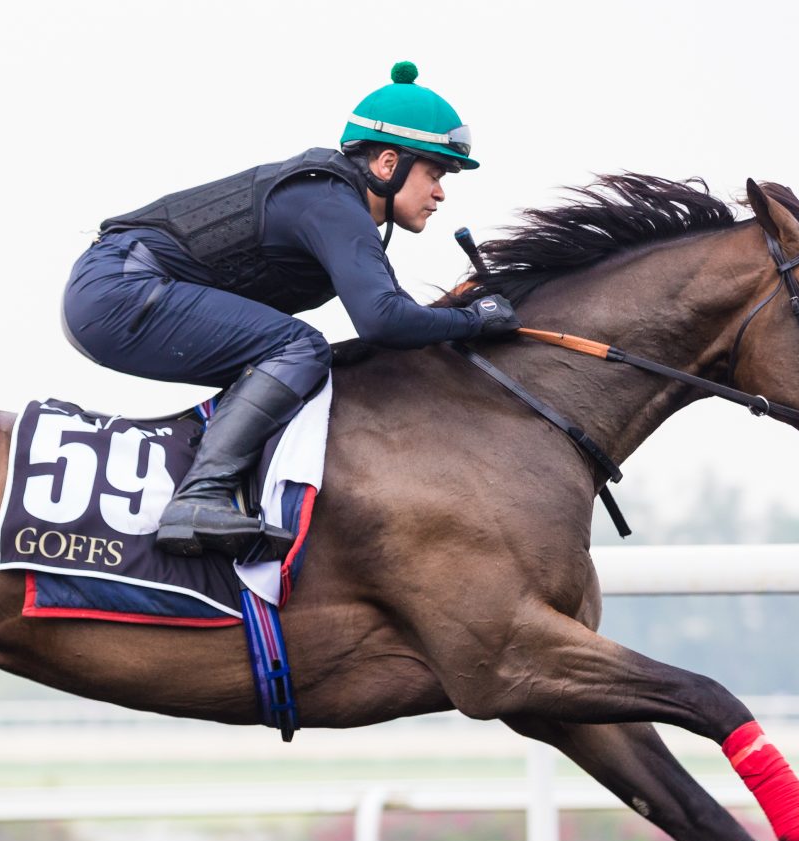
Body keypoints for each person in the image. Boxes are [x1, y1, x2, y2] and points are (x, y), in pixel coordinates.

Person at [62, 61, 519, 561]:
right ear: (389, 164)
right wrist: (478, 320)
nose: (440, 193)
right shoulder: (330, 202)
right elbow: (384, 320)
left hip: (116, 289)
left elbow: (397, 318)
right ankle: (198, 499)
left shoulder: (340, 207)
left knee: (311, 360)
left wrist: (461, 308)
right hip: (119, 289)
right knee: (301, 347)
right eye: (434, 174)